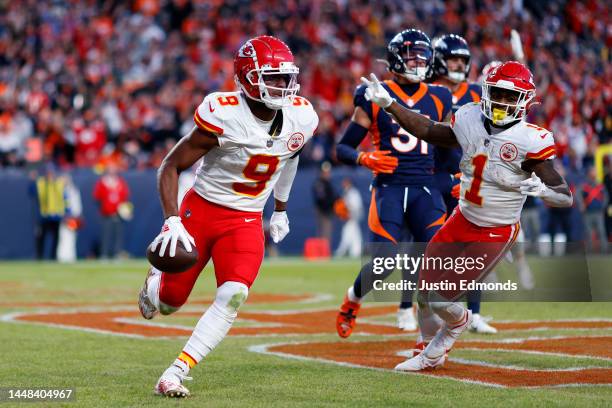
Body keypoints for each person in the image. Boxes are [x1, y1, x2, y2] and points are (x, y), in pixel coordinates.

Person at [360, 60, 572, 371]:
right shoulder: (470, 117)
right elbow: (430, 131)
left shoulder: (530, 140)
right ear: (486, 92)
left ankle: (446, 338)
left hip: (496, 229)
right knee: (423, 290)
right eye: (497, 93)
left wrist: (541, 190)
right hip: (462, 217)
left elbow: (565, 196)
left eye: (510, 97)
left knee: (442, 299)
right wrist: (390, 104)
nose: (502, 102)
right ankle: (427, 349)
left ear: (525, 101)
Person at [137, 36, 318, 397]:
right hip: (202, 210)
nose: (283, 85)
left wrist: (280, 208)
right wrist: (173, 220)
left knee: (234, 295)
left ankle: (176, 371)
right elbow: (171, 165)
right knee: (170, 304)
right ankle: (156, 282)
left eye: (286, 77)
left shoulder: (302, 115)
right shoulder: (224, 113)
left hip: (247, 220)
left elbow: (291, 154)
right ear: (248, 77)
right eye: (274, 77)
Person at [335, 29, 452, 335]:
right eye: (412, 56)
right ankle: (352, 298)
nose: (419, 62)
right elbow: (343, 148)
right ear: (396, 58)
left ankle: (425, 324)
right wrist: (364, 158)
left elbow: (449, 147)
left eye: (423, 57)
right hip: (390, 186)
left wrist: (457, 173)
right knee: (384, 264)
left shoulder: (440, 96)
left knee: (437, 255)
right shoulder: (373, 93)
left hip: (426, 188)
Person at [429, 34, 496, 334]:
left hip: (466, 178)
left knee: (473, 245)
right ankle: (410, 307)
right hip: (431, 176)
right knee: (427, 244)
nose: (458, 64)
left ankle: (474, 312)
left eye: (462, 60)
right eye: (453, 59)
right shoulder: (427, 91)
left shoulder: (476, 93)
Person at [31, 163, 70, 260]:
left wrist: (67, 212)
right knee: (41, 237)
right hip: (44, 215)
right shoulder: (41, 183)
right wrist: (32, 181)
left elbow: (65, 198)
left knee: (56, 238)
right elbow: (32, 192)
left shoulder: (59, 183)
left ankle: (54, 256)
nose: (50, 174)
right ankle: (40, 256)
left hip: (56, 215)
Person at [93, 163, 130, 259]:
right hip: (106, 213)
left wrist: (124, 210)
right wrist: (104, 207)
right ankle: (104, 254)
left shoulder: (120, 182)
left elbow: (125, 197)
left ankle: (117, 253)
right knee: (106, 235)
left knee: (118, 235)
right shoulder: (102, 182)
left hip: (118, 214)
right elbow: (97, 196)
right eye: (110, 169)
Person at [580, 166, 608, 253]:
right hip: (588, 212)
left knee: (601, 232)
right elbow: (578, 195)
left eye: (595, 171)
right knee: (588, 233)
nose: (595, 173)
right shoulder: (584, 185)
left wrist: (602, 207)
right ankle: (590, 251)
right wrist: (582, 204)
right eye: (593, 171)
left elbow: (606, 197)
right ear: (589, 173)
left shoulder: (600, 185)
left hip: (598, 212)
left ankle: (604, 251)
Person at [334, 178, 364, 258]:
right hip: (349, 215)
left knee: (347, 232)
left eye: (346, 183)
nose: (344, 184)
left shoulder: (353, 192)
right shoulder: (346, 192)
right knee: (354, 233)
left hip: (354, 215)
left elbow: (356, 206)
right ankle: (356, 251)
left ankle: (342, 251)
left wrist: (348, 212)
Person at [311, 161, 336, 244]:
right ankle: (322, 252)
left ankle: (324, 252)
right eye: (325, 172)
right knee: (324, 233)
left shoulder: (328, 183)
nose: (327, 174)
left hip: (328, 211)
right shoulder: (319, 183)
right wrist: (332, 202)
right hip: (322, 211)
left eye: (328, 172)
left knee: (327, 232)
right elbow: (321, 199)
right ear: (321, 172)